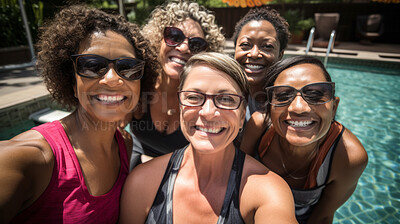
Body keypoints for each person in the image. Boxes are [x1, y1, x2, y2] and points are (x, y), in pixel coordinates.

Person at [0, 5, 158, 223]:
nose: (113, 79)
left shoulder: (124, 143)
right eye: (92, 65)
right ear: (71, 81)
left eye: (128, 67)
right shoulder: (27, 159)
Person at [120, 52, 297, 224]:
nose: (208, 113)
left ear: (242, 114)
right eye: (194, 97)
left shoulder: (267, 191)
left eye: (226, 99)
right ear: (181, 106)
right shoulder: (143, 181)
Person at [241, 56, 368, 224]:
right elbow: (235, 182)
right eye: (283, 95)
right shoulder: (259, 127)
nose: (299, 108)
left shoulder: (348, 156)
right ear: (270, 107)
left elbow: (322, 217)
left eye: (315, 95)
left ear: (334, 108)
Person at [128, 0, 225, 169]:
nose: (184, 48)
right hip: (133, 169)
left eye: (196, 44)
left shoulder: (206, 103)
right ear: (158, 39)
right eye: (174, 36)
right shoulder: (138, 84)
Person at [232, 7, 290, 119]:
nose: (254, 54)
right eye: (245, 44)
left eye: (267, 46)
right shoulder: (221, 92)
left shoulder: (287, 103)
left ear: (280, 55)